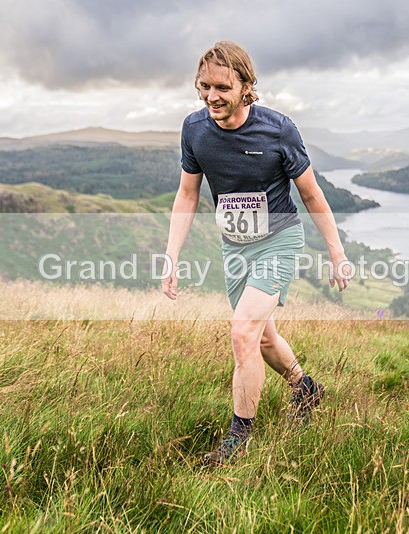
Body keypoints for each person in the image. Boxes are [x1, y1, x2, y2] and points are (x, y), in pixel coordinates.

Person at [161, 41, 350, 466]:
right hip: (235, 247)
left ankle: (237, 441)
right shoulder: (194, 130)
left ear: (247, 86)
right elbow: (187, 194)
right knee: (263, 338)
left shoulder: (279, 130)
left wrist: (337, 252)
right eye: (204, 86)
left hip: (279, 239)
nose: (212, 96)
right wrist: (171, 255)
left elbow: (312, 194)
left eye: (223, 87)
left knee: (242, 332)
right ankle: (306, 388)